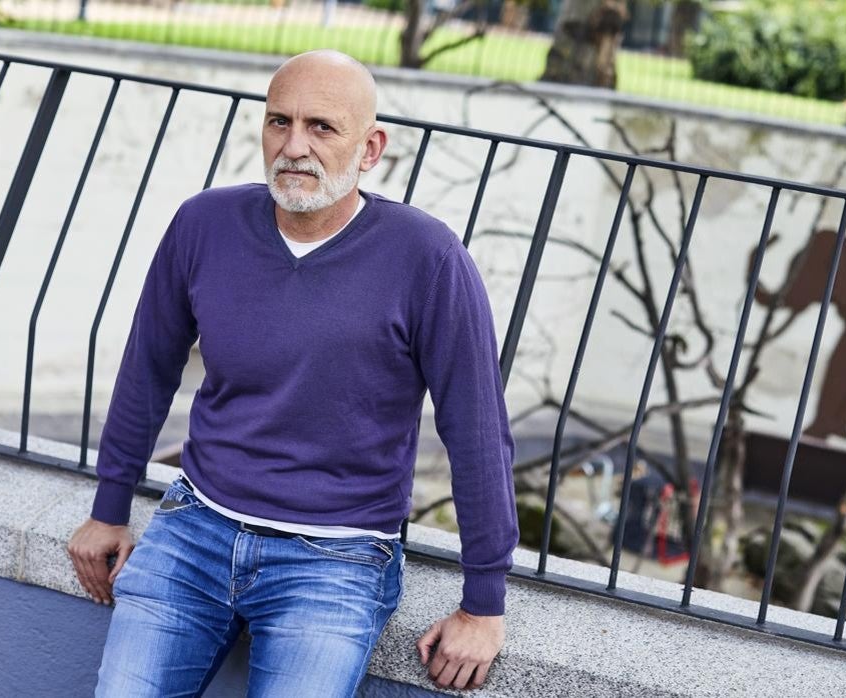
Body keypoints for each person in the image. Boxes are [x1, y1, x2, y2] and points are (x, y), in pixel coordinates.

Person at [67, 49, 519, 695]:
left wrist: (483, 602)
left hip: (335, 559)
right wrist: (110, 507)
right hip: (196, 527)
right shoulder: (205, 224)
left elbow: (477, 429)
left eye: (322, 128)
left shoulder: (428, 258)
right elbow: (147, 367)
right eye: (279, 122)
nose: (294, 146)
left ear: (370, 148)